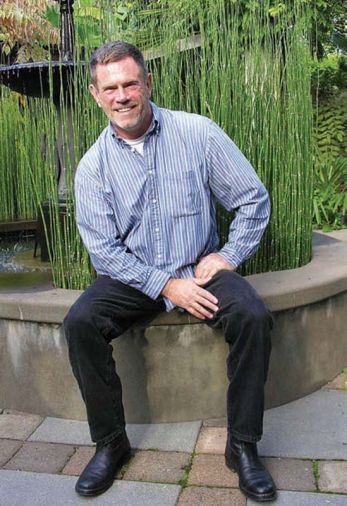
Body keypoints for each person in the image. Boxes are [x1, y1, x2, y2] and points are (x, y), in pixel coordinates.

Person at [64, 40, 276, 502]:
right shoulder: (92, 168)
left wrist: (229, 255)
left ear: (147, 84)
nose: (122, 96)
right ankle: (110, 443)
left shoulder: (196, 132)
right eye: (111, 87)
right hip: (134, 277)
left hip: (200, 269)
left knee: (253, 316)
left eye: (130, 83)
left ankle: (242, 446)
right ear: (96, 95)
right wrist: (164, 285)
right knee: (80, 322)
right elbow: (104, 253)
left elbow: (252, 198)